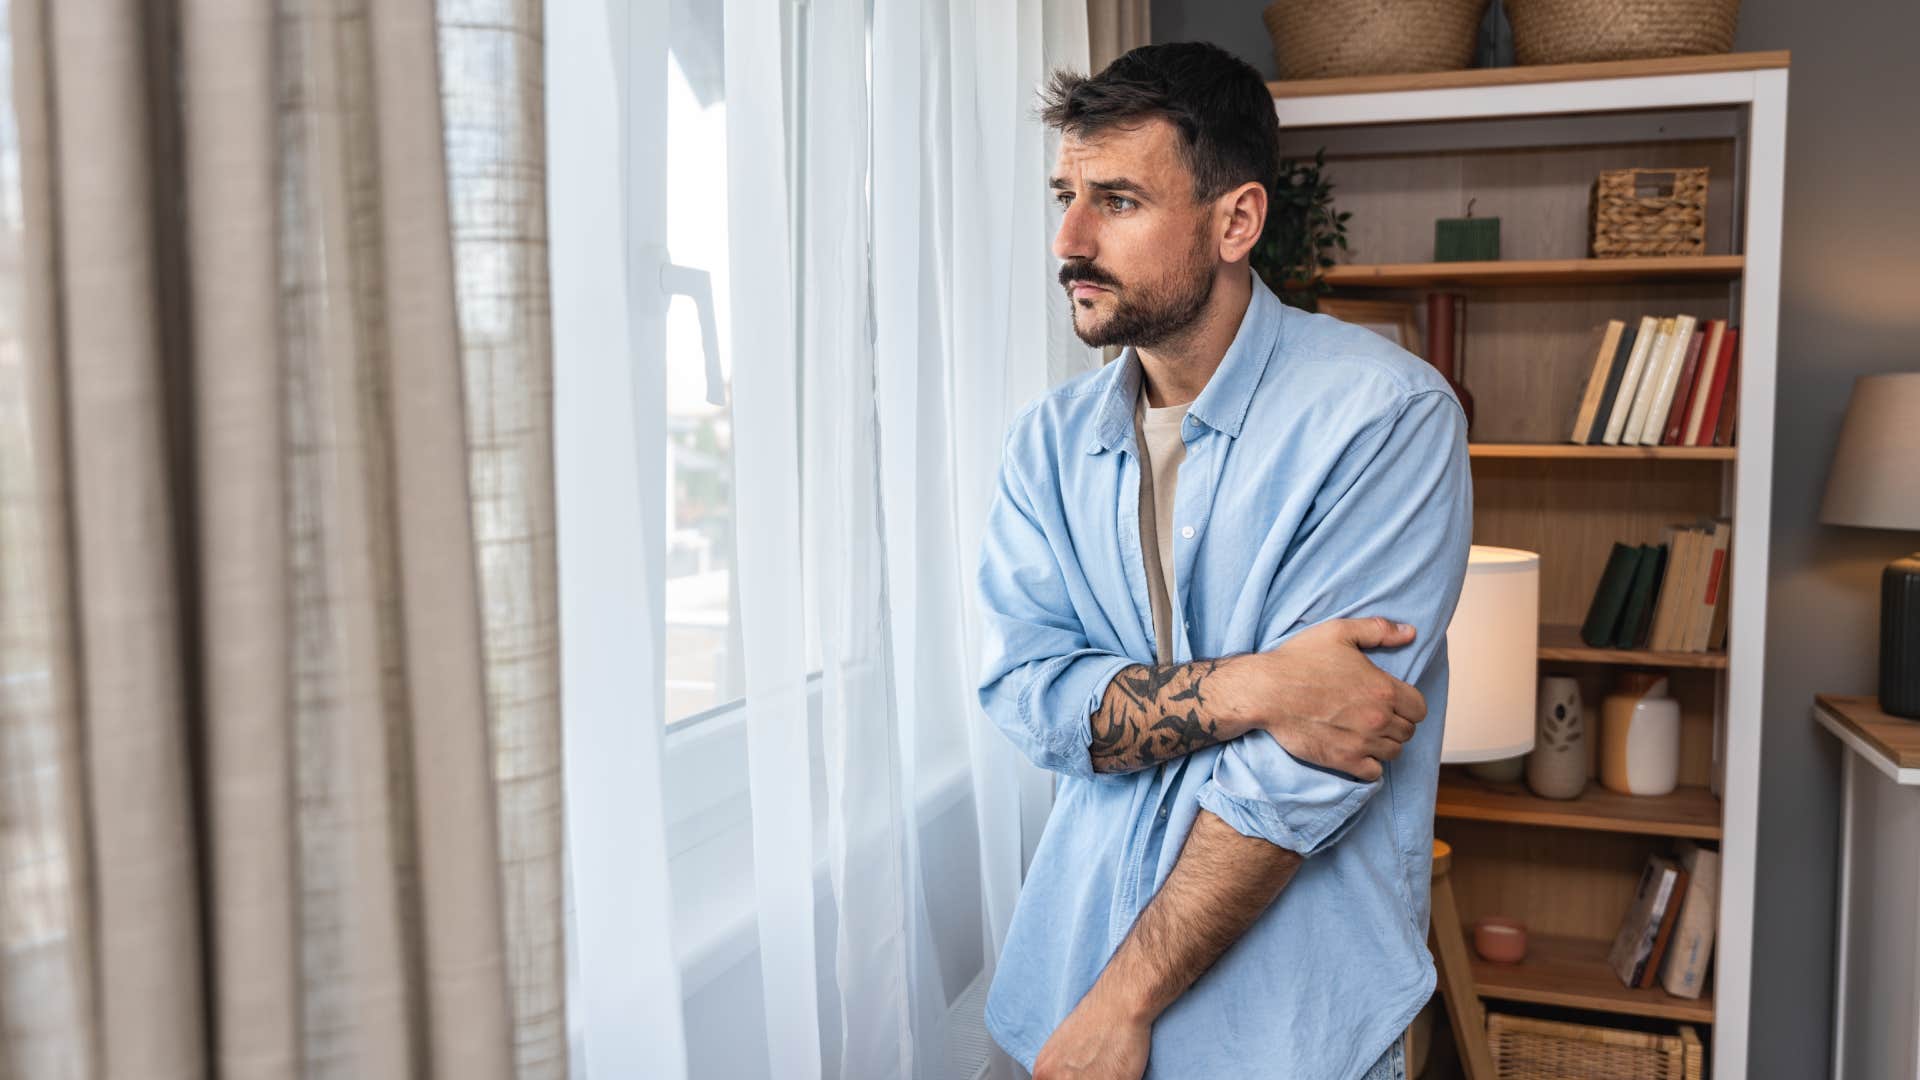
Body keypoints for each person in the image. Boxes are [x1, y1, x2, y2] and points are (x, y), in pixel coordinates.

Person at [973, 42, 1474, 1080]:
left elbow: (1307, 763)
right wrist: (1261, 684)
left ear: (1235, 220)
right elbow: (1027, 694)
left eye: (1116, 200)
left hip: (1282, 1029)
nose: (1069, 239)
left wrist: (1123, 1002)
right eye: (1064, 195)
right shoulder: (1046, 443)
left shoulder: (1385, 419)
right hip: (1057, 983)